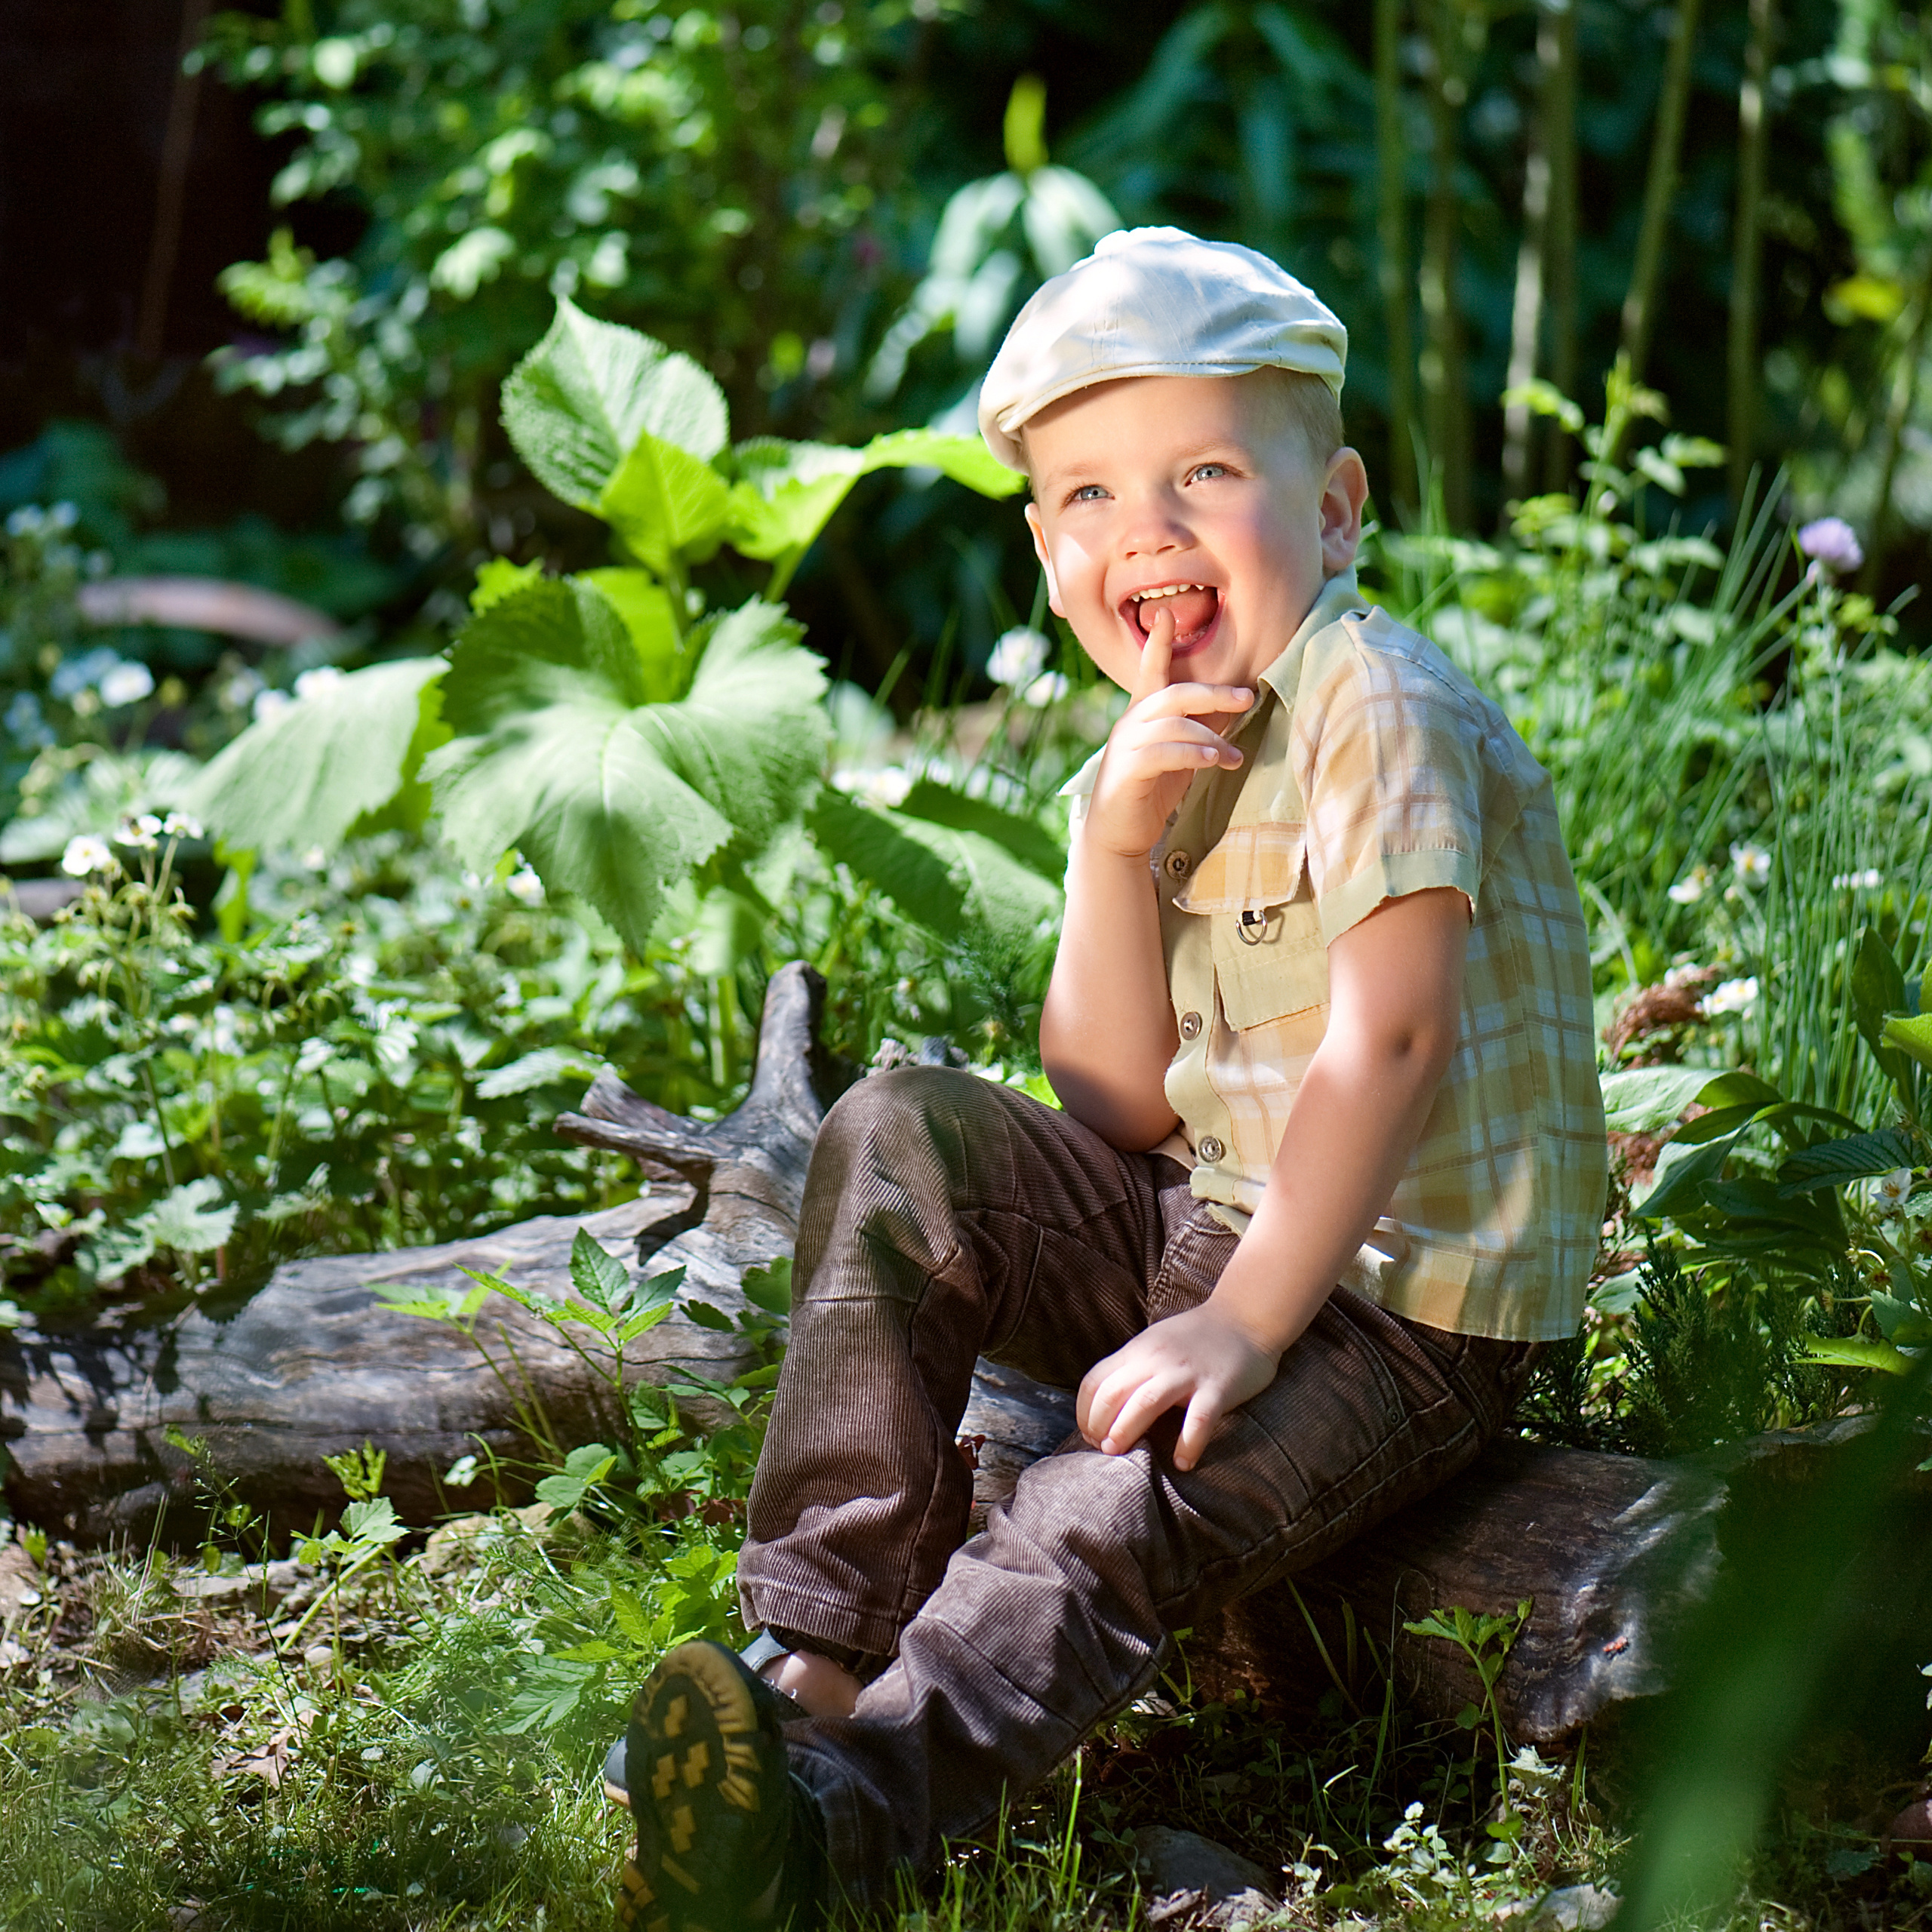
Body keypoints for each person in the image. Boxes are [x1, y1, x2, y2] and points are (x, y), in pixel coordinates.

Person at [605, 226, 1607, 1930]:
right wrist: (1106, 844)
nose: (1137, 527)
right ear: (1042, 548)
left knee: (1101, 1494)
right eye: (1081, 495)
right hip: (1205, 1209)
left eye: (1202, 470)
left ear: (1336, 507)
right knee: (902, 1125)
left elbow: (1394, 1036)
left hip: (1400, 1298)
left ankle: (838, 1828)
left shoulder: (1374, 703)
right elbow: (1114, 1102)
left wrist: (1238, 1321)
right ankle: (815, 1655)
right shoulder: (1161, 733)